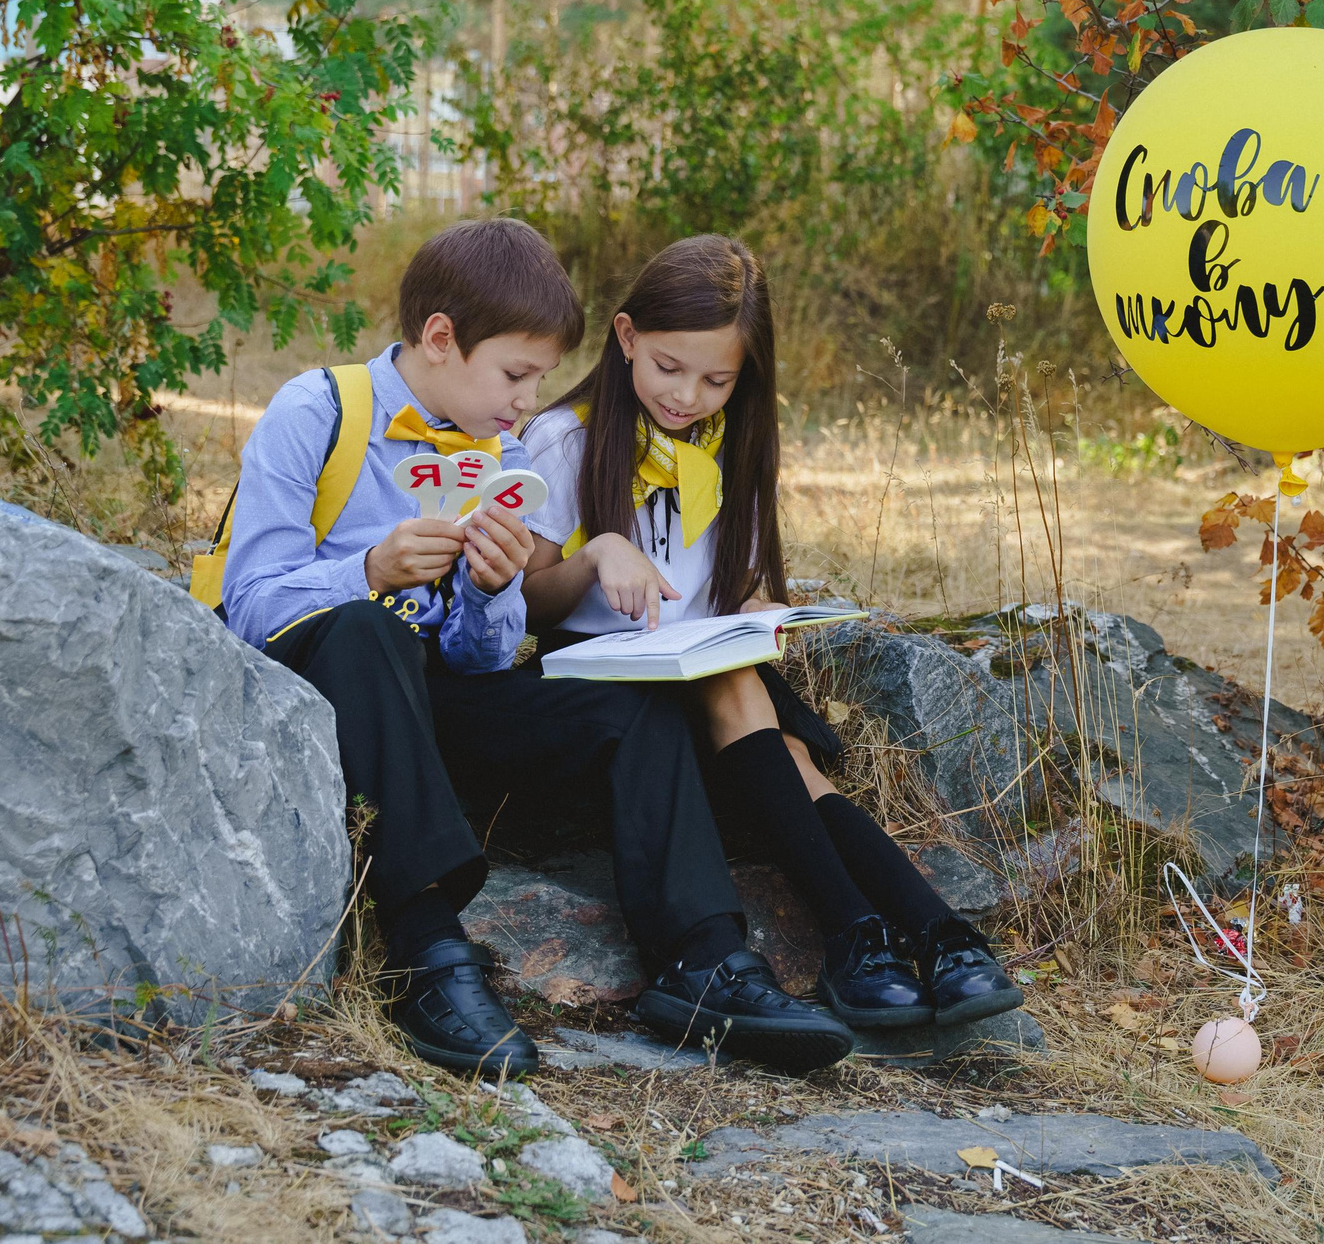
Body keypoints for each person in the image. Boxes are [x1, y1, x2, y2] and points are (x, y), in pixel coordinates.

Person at [219, 218, 851, 1076]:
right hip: (318, 700)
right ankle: (428, 954)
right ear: (440, 339)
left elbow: (479, 662)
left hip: (429, 706)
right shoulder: (319, 410)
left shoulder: (501, 455)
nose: (528, 401)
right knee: (369, 628)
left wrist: (486, 591)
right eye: (516, 375)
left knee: (629, 707)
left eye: (540, 378)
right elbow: (247, 605)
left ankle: (701, 961)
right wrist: (367, 568)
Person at [520, 235, 1022, 1031]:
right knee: (760, 723)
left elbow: (736, 583)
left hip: (703, 674)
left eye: (717, 379)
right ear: (625, 339)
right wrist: (595, 558)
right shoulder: (564, 438)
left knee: (774, 734)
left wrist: (757, 614)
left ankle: (918, 934)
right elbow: (530, 602)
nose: (687, 395)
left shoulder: (728, 446)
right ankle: (884, 931)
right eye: (669, 367)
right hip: (606, 689)